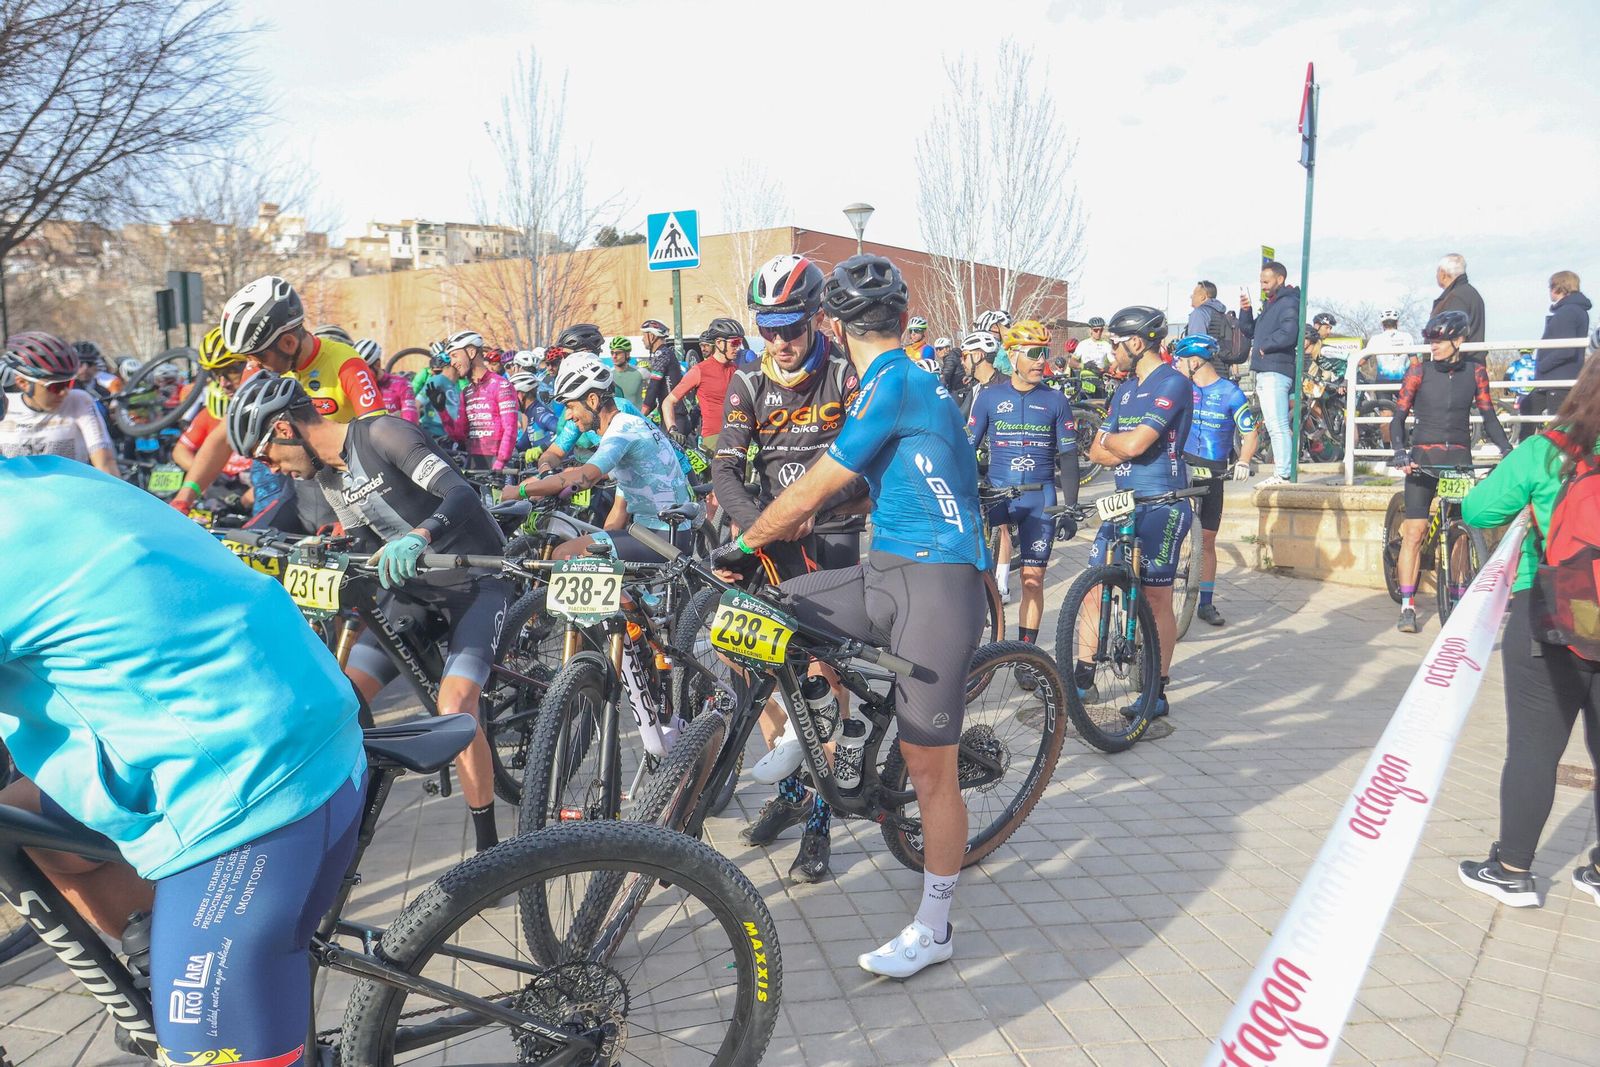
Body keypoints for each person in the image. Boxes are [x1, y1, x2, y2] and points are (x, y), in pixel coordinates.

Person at [0, 445, 366, 1065]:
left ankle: (212, 1001)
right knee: (25, 825)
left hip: (251, 784)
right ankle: (159, 961)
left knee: (211, 1048)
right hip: (275, 718)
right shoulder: (40, 474)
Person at [710, 254, 988, 979]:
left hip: (938, 580)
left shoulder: (892, 379)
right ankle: (822, 731)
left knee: (932, 772)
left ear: (830, 324)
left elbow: (815, 488)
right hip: (887, 569)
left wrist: (743, 542)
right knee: (768, 608)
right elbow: (877, 482)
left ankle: (935, 926)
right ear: (897, 318)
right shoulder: (895, 378)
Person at [228, 372, 511, 853]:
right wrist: (331, 550)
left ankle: (491, 849)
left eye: (265, 455)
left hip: (477, 581)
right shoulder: (330, 475)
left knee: (454, 706)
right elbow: (364, 541)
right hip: (413, 594)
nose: (271, 469)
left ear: (282, 429)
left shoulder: (382, 434)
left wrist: (420, 536)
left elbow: (461, 495)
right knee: (343, 697)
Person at [713, 253, 865, 882]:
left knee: (824, 675)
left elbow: (865, 466)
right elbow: (725, 469)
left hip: (831, 534)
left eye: (791, 327)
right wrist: (757, 533)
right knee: (745, 660)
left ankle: (820, 818)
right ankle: (794, 782)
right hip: (770, 536)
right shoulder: (748, 382)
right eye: (766, 327)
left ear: (817, 319)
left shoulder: (847, 376)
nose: (778, 342)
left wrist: (813, 511)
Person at [1455, 354, 1600, 909]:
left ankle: (1512, 869)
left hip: (1555, 615)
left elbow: (1480, 508)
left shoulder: (1549, 452)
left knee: (1535, 750)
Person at [1080, 306, 1193, 719]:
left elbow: (1131, 447)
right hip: (1123, 501)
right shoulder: (1126, 390)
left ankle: (1156, 690)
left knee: (1154, 596)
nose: (1111, 352)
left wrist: (1112, 439)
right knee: (1094, 589)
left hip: (1162, 500)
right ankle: (1082, 678)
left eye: (1114, 343)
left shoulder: (1173, 382)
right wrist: (1114, 441)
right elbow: (1096, 453)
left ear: (1136, 341)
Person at [1389, 309, 1513, 633]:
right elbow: (1397, 418)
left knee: (1459, 532)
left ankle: (1458, 597)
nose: (1434, 347)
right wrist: (1400, 452)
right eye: (1431, 341)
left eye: (1440, 341)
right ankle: (1407, 606)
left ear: (1458, 340)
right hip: (1421, 460)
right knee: (1414, 533)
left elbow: (1488, 417)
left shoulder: (1476, 373)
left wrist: (1507, 451)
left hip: (1458, 459)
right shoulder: (1419, 371)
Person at [501, 355, 694, 557]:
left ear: (592, 400)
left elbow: (585, 477)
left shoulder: (622, 428)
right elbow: (619, 510)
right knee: (595, 549)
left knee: (563, 553)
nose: (567, 415)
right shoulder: (624, 427)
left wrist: (521, 490)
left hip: (661, 536)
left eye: (570, 406)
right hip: (655, 531)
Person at [967, 320, 1081, 646]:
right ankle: (979, 648)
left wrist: (1069, 507)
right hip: (998, 495)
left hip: (1039, 496)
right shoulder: (989, 397)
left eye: (1044, 352)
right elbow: (966, 448)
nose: (1040, 360)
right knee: (978, 581)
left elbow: (1070, 457)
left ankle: (1026, 656)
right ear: (1012, 354)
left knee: (1033, 581)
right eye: (1033, 353)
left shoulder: (1056, 400)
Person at [1173, 333, 1259, 626]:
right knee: (1171, 531)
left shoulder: (1231, 393)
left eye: (1181, 360)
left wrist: (1244, 460)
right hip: (1183, 465)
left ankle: (1205, 604)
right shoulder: (1180, 389)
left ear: (1195, 361)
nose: (1177, 365)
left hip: (1213, 469)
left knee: (1208, 540)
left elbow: (1250, 434)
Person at [220, 275, 384, 422]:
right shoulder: (257, 370)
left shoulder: (346, 364)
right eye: (247, 357)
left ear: (288, 344)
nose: (253, 365)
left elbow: (378, 430)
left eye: (260, 357)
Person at [0, 331, 120, 476]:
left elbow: (105, 462)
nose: (65, 392)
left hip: (71, 495)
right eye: (55, 386)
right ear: (23, 383)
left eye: (69, 383)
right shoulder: (5, 406)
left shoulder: (79, 401)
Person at [1238, 260, 1301, 483]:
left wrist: (1266, 345)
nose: (1263, 286)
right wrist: (1245, 310)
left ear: (1279, 279)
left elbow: (1289, 332)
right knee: (1276, 424)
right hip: (1268, 369)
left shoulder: (1288, 303)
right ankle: (1283, 472)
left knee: (1277, 425)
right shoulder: (1273, 304)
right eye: (1261, 282)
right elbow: (1249, 331)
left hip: (1275, 369)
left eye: (1266, 281)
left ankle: (1283, 473)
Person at [1523, 270, 1592, 437]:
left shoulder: (1567, 312)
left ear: (1557, 288)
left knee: (1558, 425)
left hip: (1557, 379)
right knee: (1528, 407)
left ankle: (1547, 455)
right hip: (1555, 379)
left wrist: (1542, 365)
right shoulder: (1575, 310)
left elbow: (1565, 348)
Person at [438, 330, 518, 471]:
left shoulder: (501, 385)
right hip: (474, 462)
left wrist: (500, 463)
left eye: (455, 356)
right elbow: (460, 435)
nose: (452, 363)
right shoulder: (466, 392)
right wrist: (442, 411)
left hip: (499, 464)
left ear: (471, 352)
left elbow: (510, 429)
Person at [665, 316, 745, 450]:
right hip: (714, 439)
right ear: (719, 343)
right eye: (734, 343)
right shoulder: (700, 370)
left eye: (740, 342)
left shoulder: (735, 369)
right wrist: (673, 429)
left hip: (738, 434)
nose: (738, 347)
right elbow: (668, 401)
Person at [1431, 253, 1487, 364]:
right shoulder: (1471, 294)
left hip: (1457, 367)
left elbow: (1449, 333)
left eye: (1437, 271)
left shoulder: (1456, 298)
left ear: (1443, 273)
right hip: (1472, 363)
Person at [359, 337, 419, 423]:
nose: (362, 377)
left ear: (377, 364)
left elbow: (411, 421)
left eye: (365, 371)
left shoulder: (402, 384)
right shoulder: (359, 387)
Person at [638, 318, 683, 417]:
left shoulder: (663, 354)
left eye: (644, 335)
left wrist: (642, 414)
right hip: (671, 414)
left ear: (652, 336)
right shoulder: (665, 353)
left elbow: (653, 386)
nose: (642, 339)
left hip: (675, 416)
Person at [1366, 308, 1417, 383]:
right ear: (1397, 323)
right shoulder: (1407, 337)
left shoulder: (1375, 339)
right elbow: (1414, 362)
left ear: (1382, 324)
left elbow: (1361, 362)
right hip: (1403, 381)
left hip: (1382, 381)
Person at [609, 336, 646, 408]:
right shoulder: (608, 374)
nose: (614, 356)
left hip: (637, 417)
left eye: (618, 353)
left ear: (627, 354)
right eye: (612, 353)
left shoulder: (641, 372)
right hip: (618, 418)